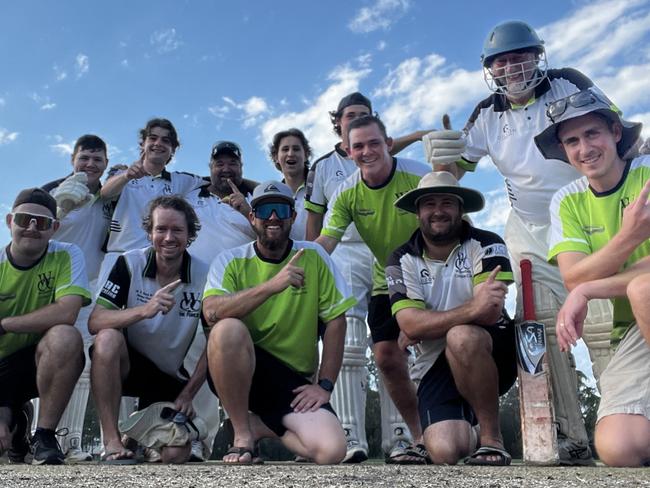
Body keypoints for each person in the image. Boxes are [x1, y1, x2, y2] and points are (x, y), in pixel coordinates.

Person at [422, 20, 613, 463]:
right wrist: (443, 159)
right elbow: (454, 176)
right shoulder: (486, 113)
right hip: (529, 229)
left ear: (538, 56)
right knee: (541, 328)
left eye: (521, 56)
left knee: (603, 326)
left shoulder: (569, 84)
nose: (513, 67)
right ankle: (571, 437)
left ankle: (618, 419)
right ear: (491, 69)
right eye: (501, 61)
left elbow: (611, 132)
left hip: (586, 218)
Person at [306, 92, 426, 462]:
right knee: (368, 348)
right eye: (358, 145)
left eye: (375, 142)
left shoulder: (418, 175)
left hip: (423, 268)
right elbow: (324, 237)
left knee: (420, 351)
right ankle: (351, 434)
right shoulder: (337, 181)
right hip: (370, 266)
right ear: (345, 146)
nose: (367, 150)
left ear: (387, 142)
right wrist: (295, 266)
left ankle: (406, 436)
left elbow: (452, 223)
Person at [534, 88, 650, 467]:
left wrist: (590, 286)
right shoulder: (567, 200)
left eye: (592, 134)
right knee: (618, 448)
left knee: (642, 289)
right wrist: (631, 236)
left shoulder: (647, 175)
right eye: (572, 140)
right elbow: (572, 275)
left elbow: (583, 281)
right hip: (635, 328)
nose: (584, 148)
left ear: (616, 133)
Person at [203, 181, 355, 465]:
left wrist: (324, 385)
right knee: (226, 329)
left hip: (293, 380)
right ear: (252, 216)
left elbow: (336, 321)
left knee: (331, 451)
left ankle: (259, 426)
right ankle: (241, 435)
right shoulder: (231, 260)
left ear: (293, 217)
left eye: (281, 209)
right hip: (242, 368)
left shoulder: (314, 255)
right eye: (265, 210)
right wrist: (272, 285)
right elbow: (211, 312)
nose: (273, 217)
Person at [387, 171, 517, 465]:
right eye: (429, 203)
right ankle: (468, 428)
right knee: (445, 451)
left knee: (462, 336)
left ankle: (492, 439)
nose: (438, 211)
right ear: (418, 212)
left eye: (447, 202)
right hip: (436, 362)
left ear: (461, 209)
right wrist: (471, 308)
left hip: (492, 350)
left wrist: (426, 322)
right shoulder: (400, 258)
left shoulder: (486, 242)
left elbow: (490, 312)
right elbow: (410, 324)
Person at [89, 196, 210, 464]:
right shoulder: (129, 263)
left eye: (177, 230)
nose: (168, 237)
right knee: (107, 337)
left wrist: (188, 394)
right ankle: (112, 441)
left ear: (190, 234)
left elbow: (215, 342)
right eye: (160, 229)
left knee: (175, 455)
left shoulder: (205, 274)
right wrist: (144, 310)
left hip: (167, 377)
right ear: (149, 232)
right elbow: (95, 321)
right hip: (127, 364)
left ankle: (137, 434)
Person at [35, 134, 112, 462]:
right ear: (73, 160)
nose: (90, 165)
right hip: (51, 287)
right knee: (50, 363)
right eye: (85, 159)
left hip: (90, 288)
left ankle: (73, 442)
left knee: (82, 366)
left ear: (106, 163)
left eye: (97, 160)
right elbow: (32, 234)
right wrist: (62, 205)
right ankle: (36, 436)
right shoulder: (51, 192)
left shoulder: (109, 196)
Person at [0, 188, 90, 465]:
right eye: (25, 219)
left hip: (37, 361)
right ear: (9, 221)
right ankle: (16, 424)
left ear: (55, 228)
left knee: (65, 336)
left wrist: (4, 324)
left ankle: (45, 434)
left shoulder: (67, 254)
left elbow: (68, 311)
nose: (32, 227)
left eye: (42, 223)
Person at [270, 128, 311, 240]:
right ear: (276, 157)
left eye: (296, 149)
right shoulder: (272, 195)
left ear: (306, 155)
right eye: (285, 149)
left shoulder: (321, 187)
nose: (291, 153)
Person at [205, 140, 258, 216]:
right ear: (210, 167)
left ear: (241, 167)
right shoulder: (192, 191)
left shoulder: (256, 198)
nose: (226, 169)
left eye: (232, 164)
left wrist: (247, 213)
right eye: (220, 164)